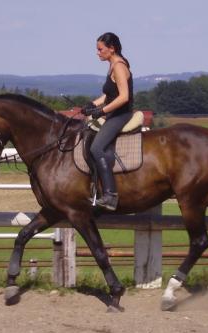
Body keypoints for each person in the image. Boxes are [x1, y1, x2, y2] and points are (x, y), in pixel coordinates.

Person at [81, 32, 133, 211]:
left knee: (96, 148)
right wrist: (91, 105)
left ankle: (110, 195)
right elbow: (109, 95)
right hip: (113, 113)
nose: (97, 52)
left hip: (120, 115)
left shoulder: (118, 66)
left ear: (112, 49)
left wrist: (101, 111)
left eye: (100, 49)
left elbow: (124, 97)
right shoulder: (112, 65)